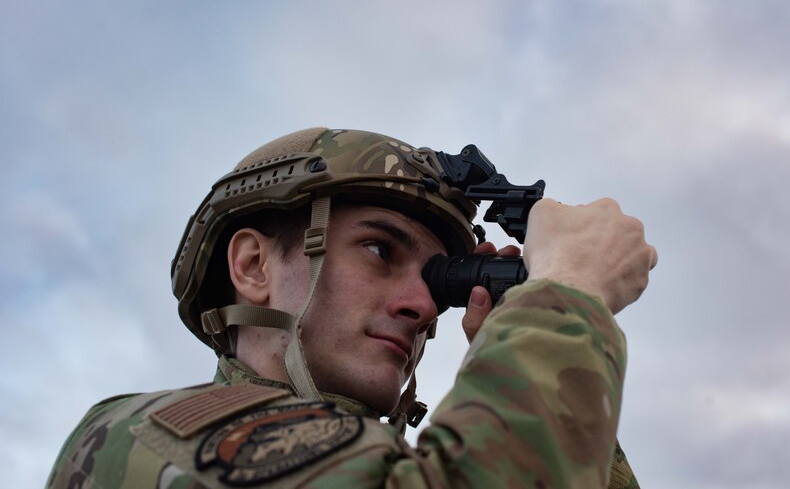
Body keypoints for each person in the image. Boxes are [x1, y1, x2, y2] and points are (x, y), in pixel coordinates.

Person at [47, 128, 656, 488]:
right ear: (254, 267)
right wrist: (567, 294)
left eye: (437, 280)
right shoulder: (143, 438)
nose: (422, 305)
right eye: (378, 250)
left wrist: (536, 363)